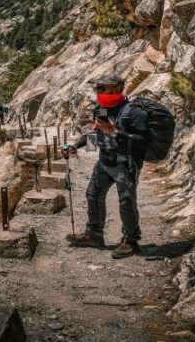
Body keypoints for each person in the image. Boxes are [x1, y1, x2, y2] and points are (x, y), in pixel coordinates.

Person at [63, 74, 149, 259]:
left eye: (102, 88)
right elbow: (94, 135)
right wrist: (75, 147)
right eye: (97, 88)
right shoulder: (100, 110)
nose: (98, 91)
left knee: (126, 201)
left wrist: (114, 130)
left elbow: (142, 141)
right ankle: (94, 236)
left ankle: (131, 241)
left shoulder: (134, 111)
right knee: (93, 195)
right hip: (104, 160)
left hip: (125, 163)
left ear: (117, 89)